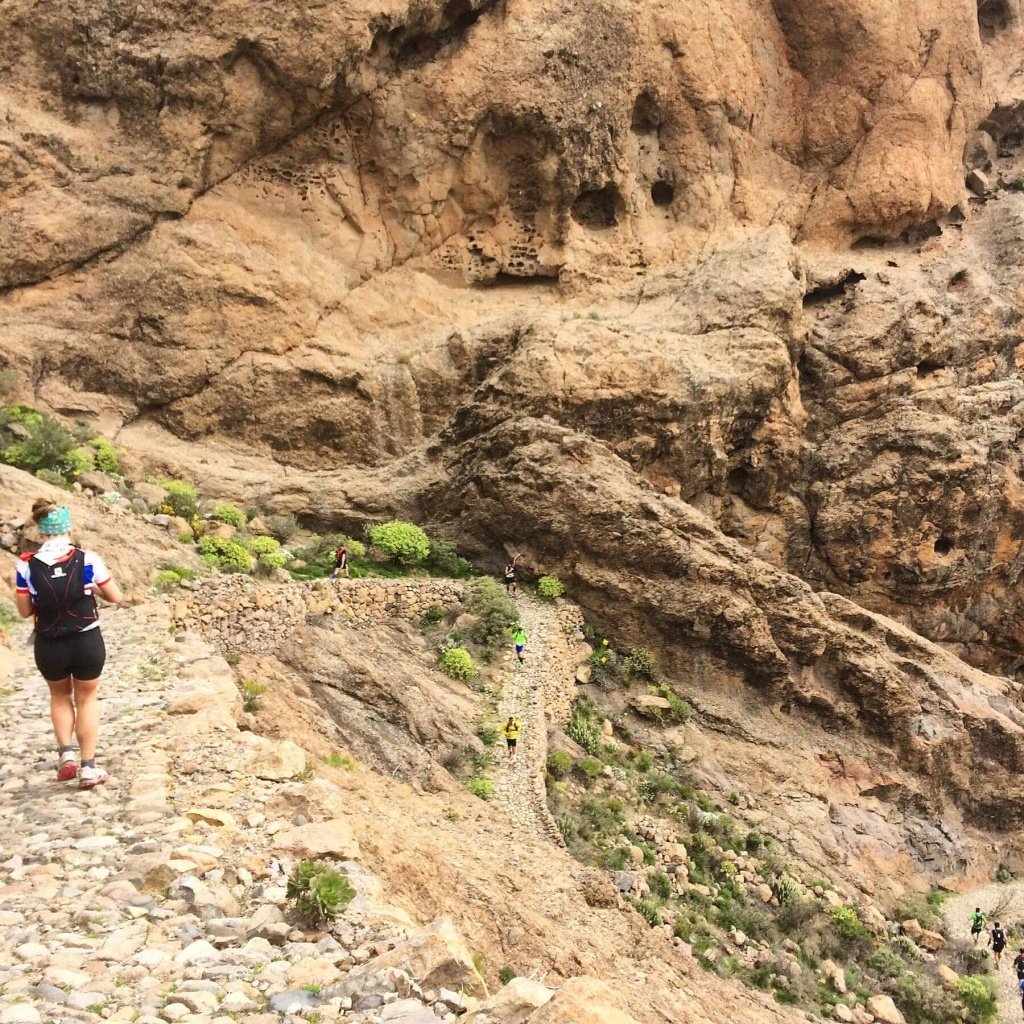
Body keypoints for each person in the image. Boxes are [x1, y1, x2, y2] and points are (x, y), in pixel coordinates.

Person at [14, 499, 123, 789]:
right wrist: (92, 588)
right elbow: (116, 596)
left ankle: (66, 756)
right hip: (86, 637)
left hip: (49, 642)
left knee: (59, 696)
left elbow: (24, 611)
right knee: (86, 699)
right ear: (69, 531)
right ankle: (88, 768)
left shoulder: (26, 565)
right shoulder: (87, 558)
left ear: (39, 534)